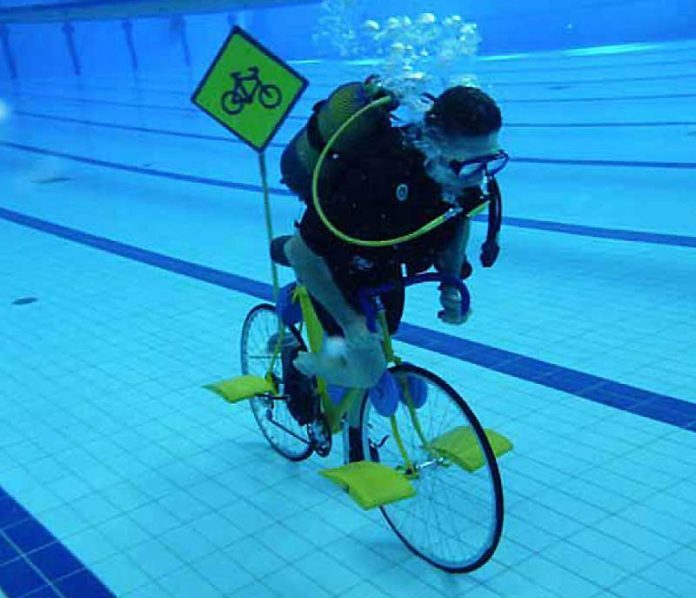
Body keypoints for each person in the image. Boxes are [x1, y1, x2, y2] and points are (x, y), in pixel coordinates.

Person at [277, 84, 506, 392]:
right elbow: (299, 253)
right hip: (336, 265)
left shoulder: (461, 173)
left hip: (384, 262)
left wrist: (450, 284)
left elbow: (458, 217)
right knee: (367, 372)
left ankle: (336, 357)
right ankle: (302, 361)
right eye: (471, 164)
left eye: (490, 161)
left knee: (384, 334)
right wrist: (349, 321)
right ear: (436, 145)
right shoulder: (372, 177)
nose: (479, 177)